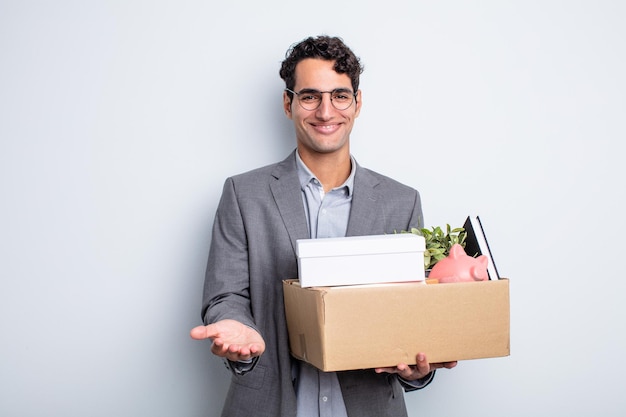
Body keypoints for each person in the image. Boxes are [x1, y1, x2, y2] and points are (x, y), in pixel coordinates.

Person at [190, 35, 457, 417]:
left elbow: (412, 311)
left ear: (358, 102)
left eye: (340, 96)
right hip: (269, 404)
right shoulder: (243, 194)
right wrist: (237, 330)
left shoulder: (402, 201)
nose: (326, 112)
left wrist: (416, 368)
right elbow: (225, 295)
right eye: (310, 96)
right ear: (289, 103)